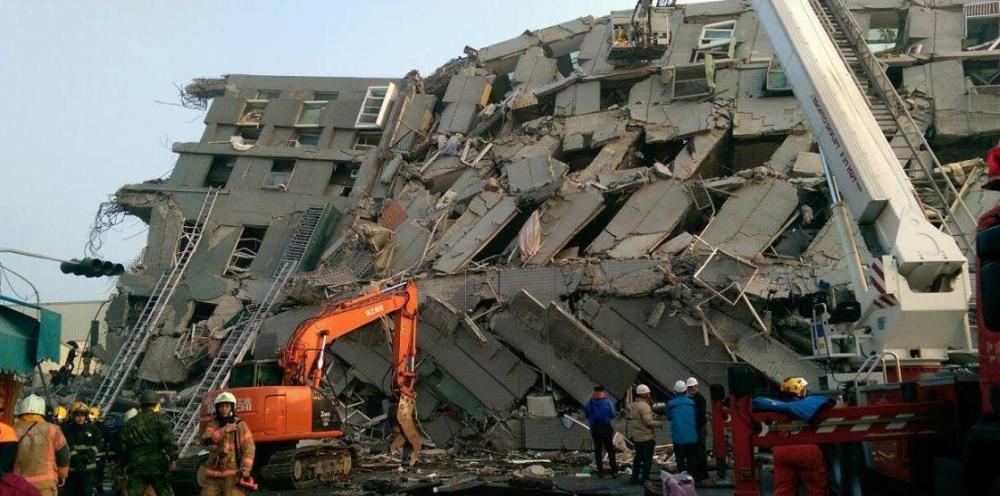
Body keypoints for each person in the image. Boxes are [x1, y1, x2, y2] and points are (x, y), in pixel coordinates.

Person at [773, 377, 828, 496]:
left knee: (784, 488)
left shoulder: (776, 406)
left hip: (781, 450)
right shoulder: (808, 404)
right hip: (806, 449)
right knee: (816, 487)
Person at [120, 391, 177, 496]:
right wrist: (173, 458)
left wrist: (124, 464)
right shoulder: (160, 419)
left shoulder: (130, 423)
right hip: (157, 465)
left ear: (141, 404)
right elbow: (168, 441)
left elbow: (123, 448)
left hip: (136, 465)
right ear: (155, 403)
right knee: (165, 492)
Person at [12, 395, 70, 496]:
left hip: (19, 485)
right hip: (45, 485)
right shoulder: (53, 429)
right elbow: (64, 455)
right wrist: (62, 475)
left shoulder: (12, 430)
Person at [200, 392, 255, 496]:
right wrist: (224, 430)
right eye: (221, 406)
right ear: (217, 408)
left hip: (233, 474)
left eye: (227, 406)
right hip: (213, 474)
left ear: (232, 408)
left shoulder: (240, 425)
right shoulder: (213, 424)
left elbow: (249, 448)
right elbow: (205, 440)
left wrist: (246, 470)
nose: (224, 409)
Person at [61, 402, 104, 496]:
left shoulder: (93, 428)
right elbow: (65, 446)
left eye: (83, 415)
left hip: (88, 469)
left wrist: (87, 456)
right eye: (77, 415)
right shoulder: (66, 429)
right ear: (72, 416)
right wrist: (77, 459)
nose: (81, 418)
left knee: (87, 492)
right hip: (72, 470)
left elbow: (99, 444)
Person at [626, 384, 662, 485]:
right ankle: (645, 479)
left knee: (637, 459)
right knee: (647, 460)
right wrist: (659, 424)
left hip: (637, 438)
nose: (650, 395)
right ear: (645, 394)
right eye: (649, 393)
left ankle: (634, 478)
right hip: (646, 437)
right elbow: (648, 422)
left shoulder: (633, 405)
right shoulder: (645, 406)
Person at [582, 385, 618, 478]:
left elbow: (586, 415)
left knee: (598, 450)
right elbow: (613, 414)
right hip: (606, 428)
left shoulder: (589, 403)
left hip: (595, 429)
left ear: (594, 392)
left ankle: (600, 471)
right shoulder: (607, 402)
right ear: (603, 392)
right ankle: (614, 471)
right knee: (610, 450)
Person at [666, 380, 698, 475]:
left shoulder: (671, 404)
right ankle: (693, 480)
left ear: (675, 391)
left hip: (678, 437)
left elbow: (669, 417)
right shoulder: (692, 403)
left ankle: (683, 480)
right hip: (692, 437)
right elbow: (695, 417)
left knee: (680, 461)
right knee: (692, 460)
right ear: (685, 390)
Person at [685, 377, 709, 483]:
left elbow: (700, 415)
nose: (691, 389)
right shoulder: (699, 398)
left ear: (696, 386)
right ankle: (701, 474)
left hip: (697, 428)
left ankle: (698, 473)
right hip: (698, 428)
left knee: (697, 451)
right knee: (698, 451)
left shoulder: (696, 399)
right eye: (689, 387)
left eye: (692, 387)